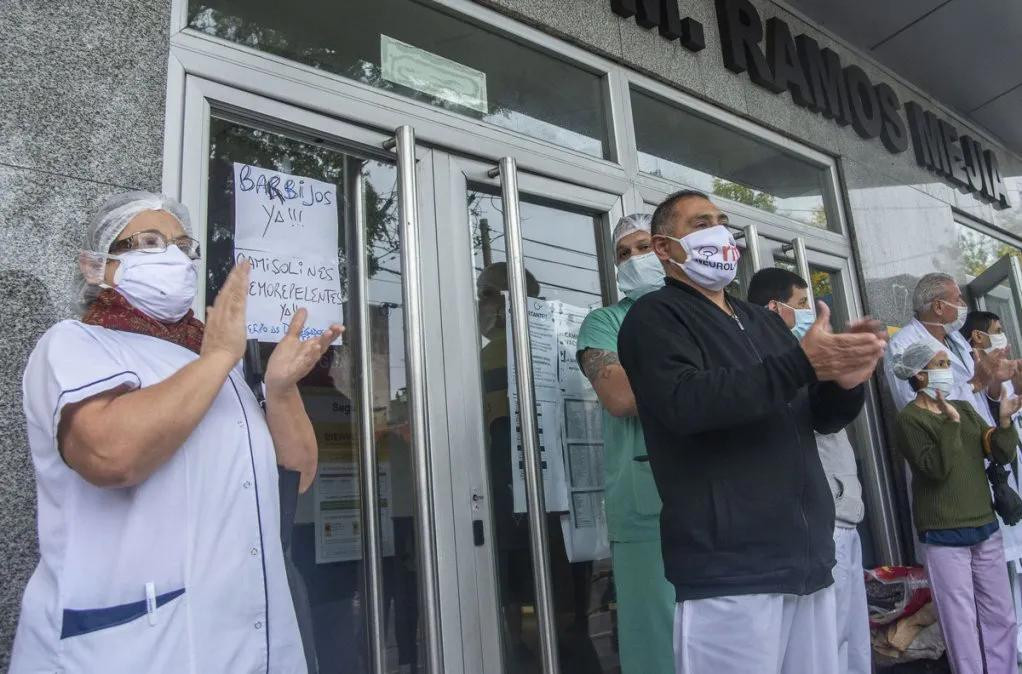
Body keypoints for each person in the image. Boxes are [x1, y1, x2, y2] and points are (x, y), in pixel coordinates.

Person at [12, 192, 341, 673]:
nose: (172, 255)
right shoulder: (76, 343)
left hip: (249, 638)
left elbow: (297, 475)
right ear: (97, 266)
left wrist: (280, 387)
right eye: (148, 241)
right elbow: (110, 455)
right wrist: (216, 358)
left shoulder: (215, 369)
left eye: (183, 245)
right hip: (131, 648)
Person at [617, 189, 886, 673]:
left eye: (722, 220)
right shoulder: (653, 317)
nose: (719, 231)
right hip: (730, 570)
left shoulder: (763, 322)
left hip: (806, 562)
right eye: (702, 223)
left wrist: (845, 382)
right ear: (663, 247)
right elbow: (685, 403)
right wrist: (799, 364)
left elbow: (815, 417)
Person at [748, 267, 871, 674]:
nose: (811, 315)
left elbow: (832, 412)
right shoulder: (768, 364)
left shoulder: (807, 360)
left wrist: (848, 380)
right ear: (773, 308)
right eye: (802, 305)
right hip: (816, 517)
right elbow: (822, 419)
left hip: (843, 510)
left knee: (850, 635)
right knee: (823, 642)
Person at [577, 214, 673, 673]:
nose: (634, 260)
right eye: (623, 254)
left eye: (643, 248)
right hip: (645, 508)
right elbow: (620, 396)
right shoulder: (604, 324)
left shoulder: (706, 311)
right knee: (657, 640)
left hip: (720, 499)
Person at [891, 341, 1021, 674]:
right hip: (944, 533)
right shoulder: (909, 419)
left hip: (984, 525)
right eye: (941, 364)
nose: (947, 371)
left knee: (1001, 615)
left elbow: (999, 452)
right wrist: (948, 424)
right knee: (960, 623)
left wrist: (1005, 423)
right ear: (921, 376)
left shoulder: (963, 408)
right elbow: (935, 468)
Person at [961, 310, 1022, 663]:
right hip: (991, 479)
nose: (1002, 336)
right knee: (1004, 580)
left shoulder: (1001, 368)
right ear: (978, 338)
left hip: (1010, 468)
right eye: (996, 331)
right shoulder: (971, 371)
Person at [883, 273, 1012, 419]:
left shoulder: (955, 336)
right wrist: (973, 384)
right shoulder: (901, 345)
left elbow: (981, 391)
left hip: (984, 432)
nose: (963, 305)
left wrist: (993, 380)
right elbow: (911, 407)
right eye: (958, 299)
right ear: (938, 306)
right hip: (952, 439)